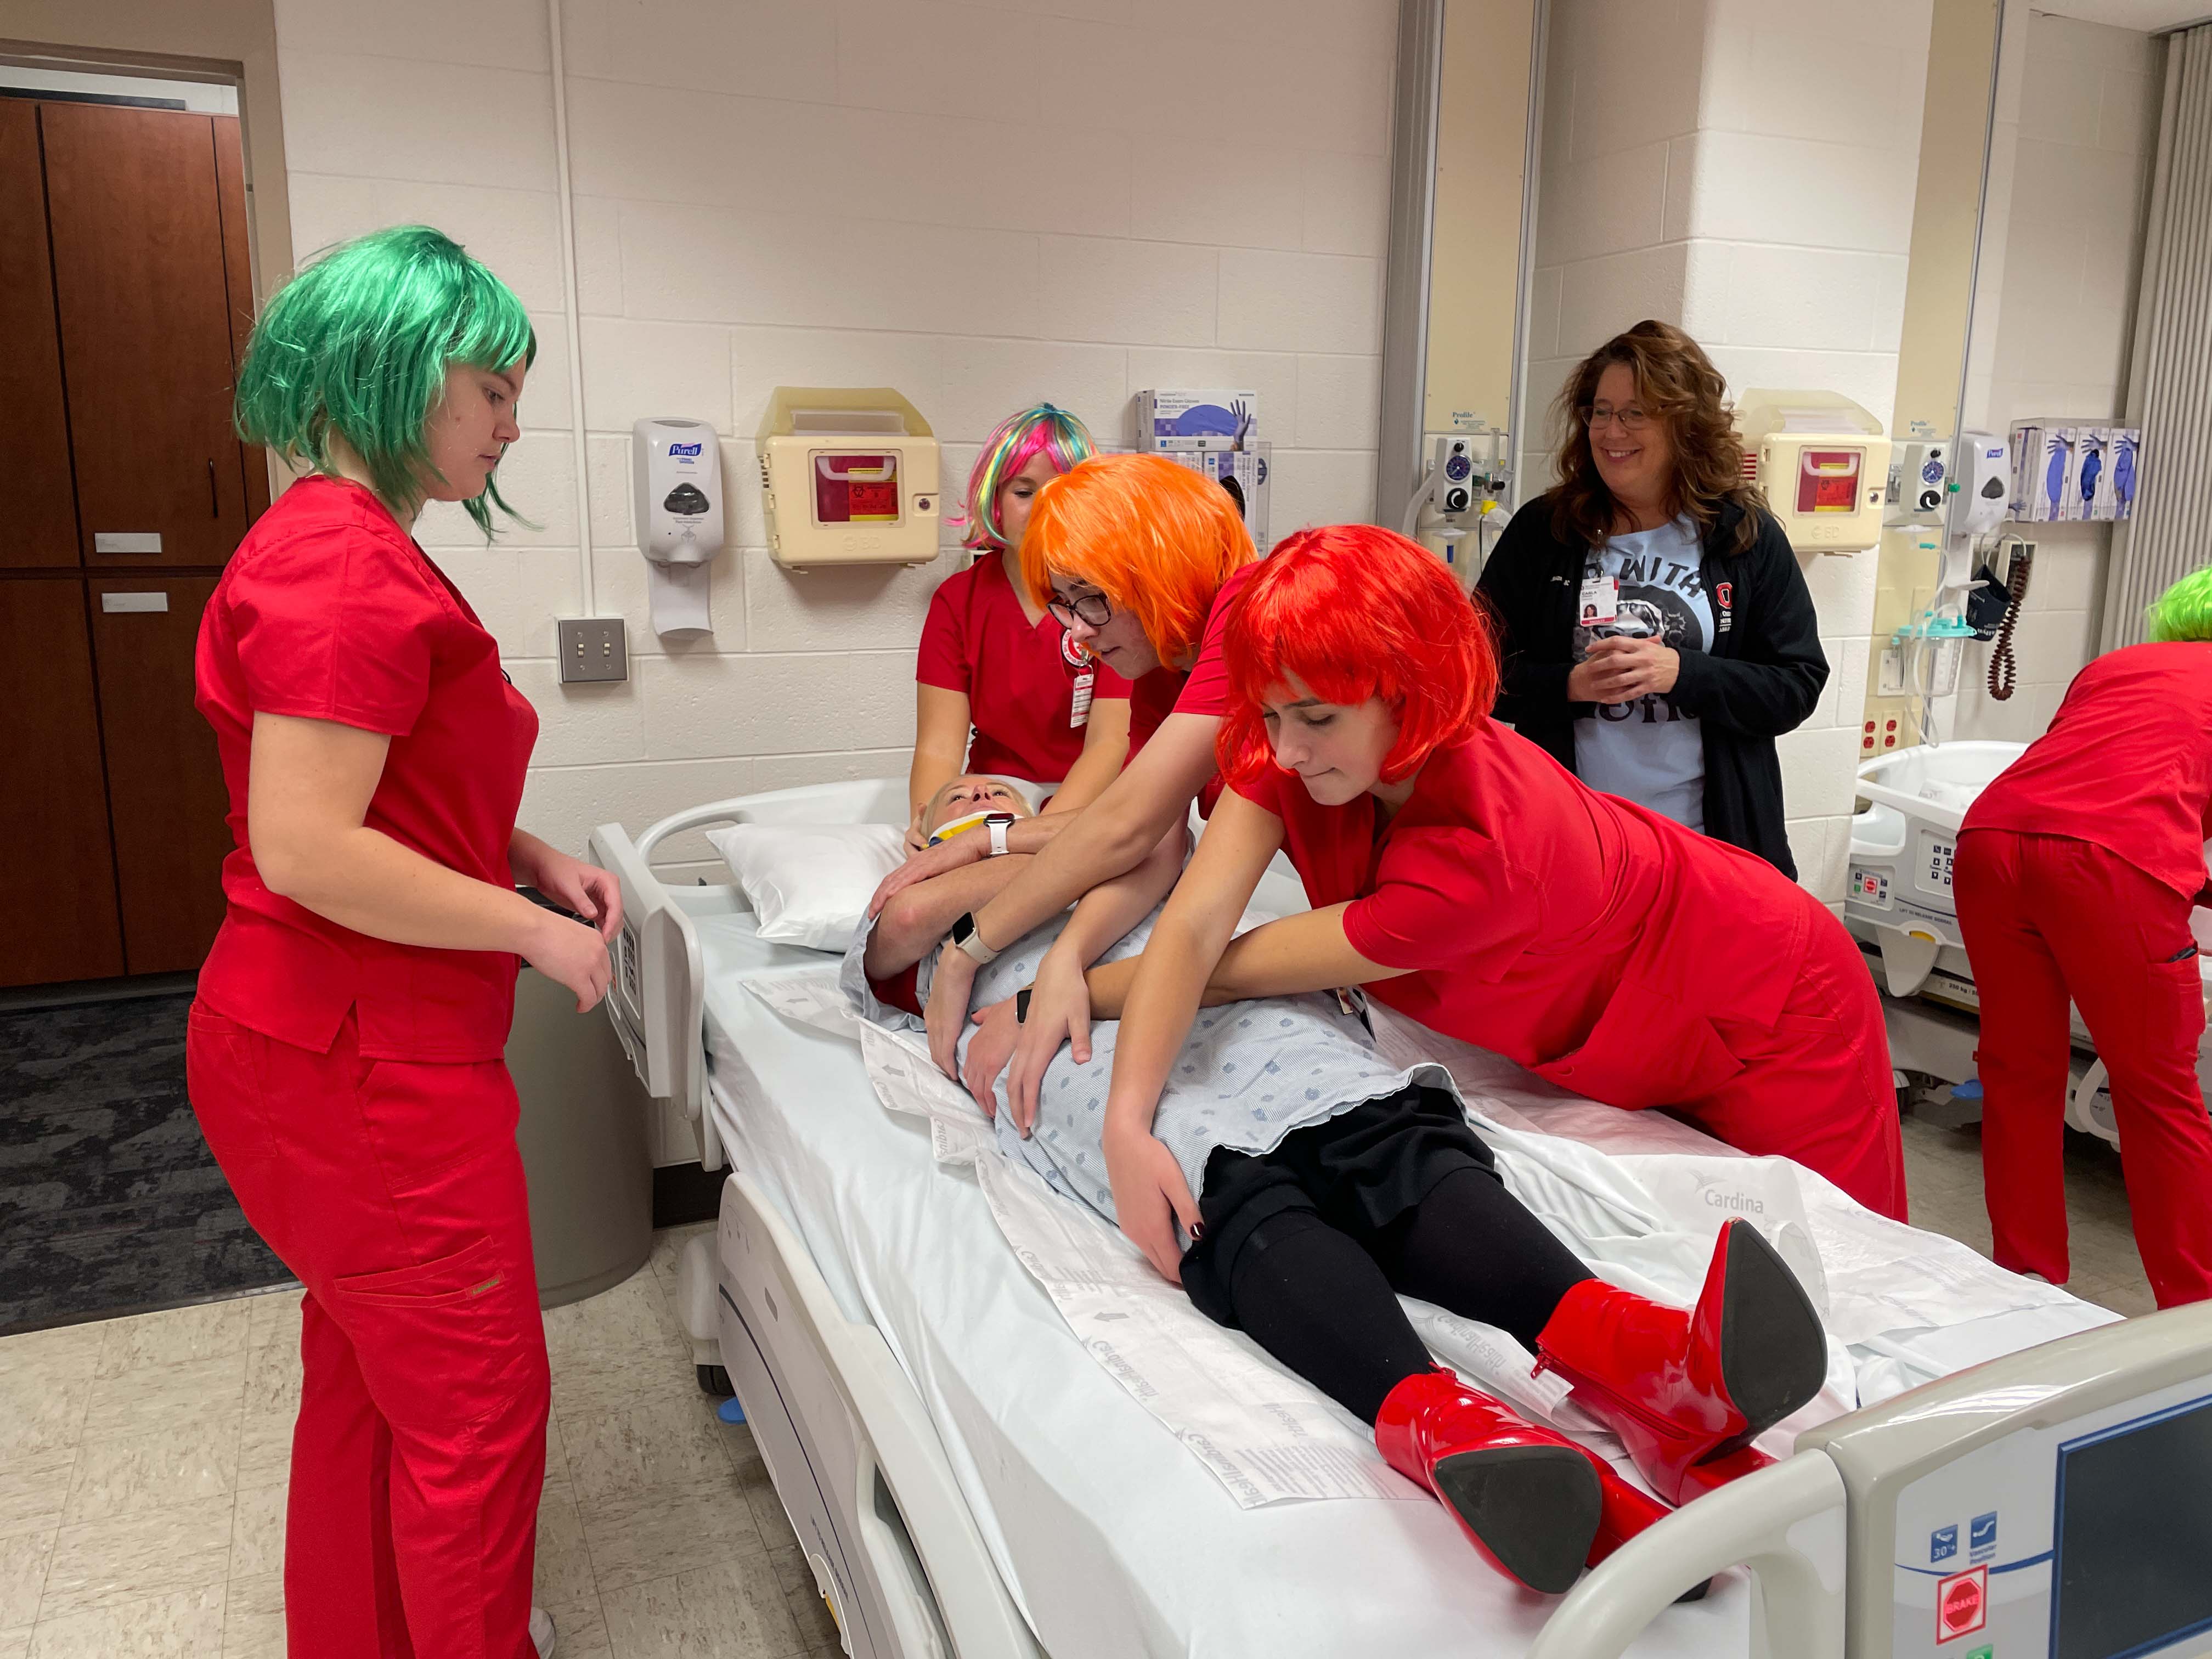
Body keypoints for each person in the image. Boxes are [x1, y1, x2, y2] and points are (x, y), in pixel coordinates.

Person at [863, 773, 1830, 1594]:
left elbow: (1154, 842)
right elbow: (908, 919)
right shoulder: (922, 906)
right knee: (1226, 1185)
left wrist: (1017, 842)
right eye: (964, 798)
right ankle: (1453, 1429)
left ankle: (1641, 1357)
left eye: (1008, 793)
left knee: (1377, 1129)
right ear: (921, 838)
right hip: (1052, 1040)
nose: (989, 797)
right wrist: (1021, 848)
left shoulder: (1107, 854)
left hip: (1204, 997)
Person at [1045, 524, 1904, 1271]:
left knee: (1850, 1279)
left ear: (1409, 686)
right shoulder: (1300, 733)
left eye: (1314, 719)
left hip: (1776, 1001)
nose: (1288, 750)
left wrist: (1051, 997)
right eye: (1270, 717)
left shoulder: (1490, 857)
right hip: (1631, 1005)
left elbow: (1231, 968)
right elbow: (1193, 926)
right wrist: (1111, 1084)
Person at [187, 227, 610, 1659]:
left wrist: (525, 854)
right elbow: (311, 848)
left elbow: (387, 790)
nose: (511, 421)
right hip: (361, 1064)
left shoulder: (345, 548)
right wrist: (529, 935)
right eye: (490, 387)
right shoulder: (342, 567)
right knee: (480, 1413)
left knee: (374, 1378)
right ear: (396, 372)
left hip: (329, 1045)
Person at [870, 453, 1259, 1114]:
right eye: (1063, 605)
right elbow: (1150, 837)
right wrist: (996, 857)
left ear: (1154, 569)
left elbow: (1132, 830)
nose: (1075, 634)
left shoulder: (1245, 624)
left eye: (1090, 601)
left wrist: (974, 941)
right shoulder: (1162, 668)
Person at [1477, 321, 1827, 876]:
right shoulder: (1545, 531)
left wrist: (1682, 672)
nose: (1612, 430)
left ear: (1685, 423)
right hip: (1574, 841)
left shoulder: (1743, 536)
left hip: (1711, 845)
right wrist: (1568, 684)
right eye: (1601, 410)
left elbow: (1797, 685)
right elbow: (1472, 674)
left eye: (1637, 412)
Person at [1954, 568, 2212, 1308]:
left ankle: (2025, 1280)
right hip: (2110, 868)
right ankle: (2196, 1312)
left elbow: (2097, 771)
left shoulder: (2114, 666)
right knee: (2159, 1093)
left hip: (1992, 841)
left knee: (2017, 1072)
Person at [909, 405, 1133, 848]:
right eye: (1024, 491)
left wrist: (1036, 836)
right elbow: (938, 746)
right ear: (995, 498)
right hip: (994, 801)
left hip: (1091, 804)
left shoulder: (1114, 599)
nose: (1043, 508)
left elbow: (1110, 743)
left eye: (1060, 491)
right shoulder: (958, 601)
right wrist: (932, 825)